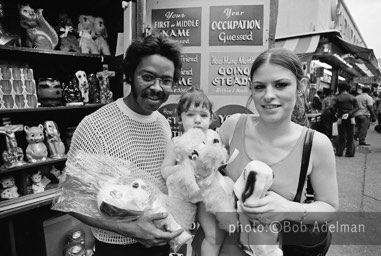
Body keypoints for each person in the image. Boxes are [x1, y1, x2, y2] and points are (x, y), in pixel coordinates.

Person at [196, 48, 339, 256]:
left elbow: (330, 209)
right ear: (251, 89)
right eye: (260, 87)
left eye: (281, 85)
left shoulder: (316, 144)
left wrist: (287, 209)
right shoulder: (233, 126)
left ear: (301, 86)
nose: (269, 95)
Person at [61, 34, 184, 256]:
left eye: (166, 80)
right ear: (129, 75)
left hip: (161, 242)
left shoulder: (163, 123)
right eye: (147, 77)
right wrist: (132, 229)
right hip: (117, 248)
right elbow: (71, 199)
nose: (157, 87)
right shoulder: (95, 126)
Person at [161, 88, 225, 256]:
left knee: (214, 235)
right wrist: (186, 166)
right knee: (176, 235)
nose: (197, 120)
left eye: (203, 115)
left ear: (211, 118)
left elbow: (221, 162)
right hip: (182, 195)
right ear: (179, 118)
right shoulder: (175, 143)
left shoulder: (213, 138)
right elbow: (165, 171)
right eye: (190, 115)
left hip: (205, 193)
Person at [334, 82, 359, 157]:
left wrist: (338, 114)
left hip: (341, 118)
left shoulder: (337, 98)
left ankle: (340, 152)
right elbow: (357, 107)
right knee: (350, 135)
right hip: (351, 118)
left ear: (339, 88)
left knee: (341, 135)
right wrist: (349, 113)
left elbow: (333, 108)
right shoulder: (352, 97)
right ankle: (349, 152)